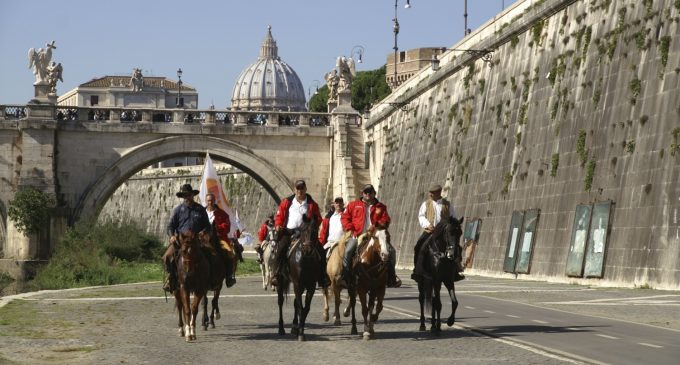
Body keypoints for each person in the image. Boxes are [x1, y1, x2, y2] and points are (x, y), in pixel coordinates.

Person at [341, 184, 401, 288]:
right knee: (348, 251)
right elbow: (345, 218)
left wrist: (375, 226)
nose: (368, 194)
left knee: (391, 252)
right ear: (362, 193)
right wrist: (351, 229)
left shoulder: (381, 207)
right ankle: (345, 277)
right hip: (358, 234)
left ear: (374, 193)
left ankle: (391, 277)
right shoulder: (353, 205)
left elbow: (386, 219)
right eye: (366, 192)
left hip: (376, 235)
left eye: (370, 192)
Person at [270, 179, 325, 288]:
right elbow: (279, 216)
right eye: (298, 188)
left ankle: (323, 277)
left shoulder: (312, 204)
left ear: (305, 189)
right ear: (294, 189)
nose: (300, 190)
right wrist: (278, 225)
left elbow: (318, 218)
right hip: (288, 232)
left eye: (302, 188)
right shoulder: (286, 202)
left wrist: (312, 224)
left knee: (321, 251)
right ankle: (276, 274)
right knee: (280, 249)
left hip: (305, 233)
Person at [162, 184, 211, 292]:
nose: (187, 197)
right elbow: (170, 226)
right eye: (185, 196)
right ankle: (171, 278)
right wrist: (172, 236)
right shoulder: (178, 210)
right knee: (166, 257)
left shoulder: (200, 209)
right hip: (180, 240)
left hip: (197, 240)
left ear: (192, 195)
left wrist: (203, 232)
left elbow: (208, 226)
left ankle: (212, 278)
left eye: (188, 195)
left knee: (212, 253)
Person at [412, 184, 464, 282]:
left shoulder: (447, 204)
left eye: (433, 193)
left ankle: (456, 271)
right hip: (430, 231)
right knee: (418, 246)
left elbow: (453, 217)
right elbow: (421, 216)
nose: (430, 195)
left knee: (456, 247)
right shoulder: (426, 204)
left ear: (439, 193)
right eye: (430, 193)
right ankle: (417, 271)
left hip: (444, 234)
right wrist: (427, 224)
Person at [205, 192, 236, 287]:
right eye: (208, 200)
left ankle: (229, 276)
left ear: (214, 201)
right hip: (204, 239)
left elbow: (227, 226)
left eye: (211, 200)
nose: (210, 202)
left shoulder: (222, 214)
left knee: (229, 252)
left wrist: (216, 228)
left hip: (219, 239)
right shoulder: (201, 212)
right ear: (206, 201)